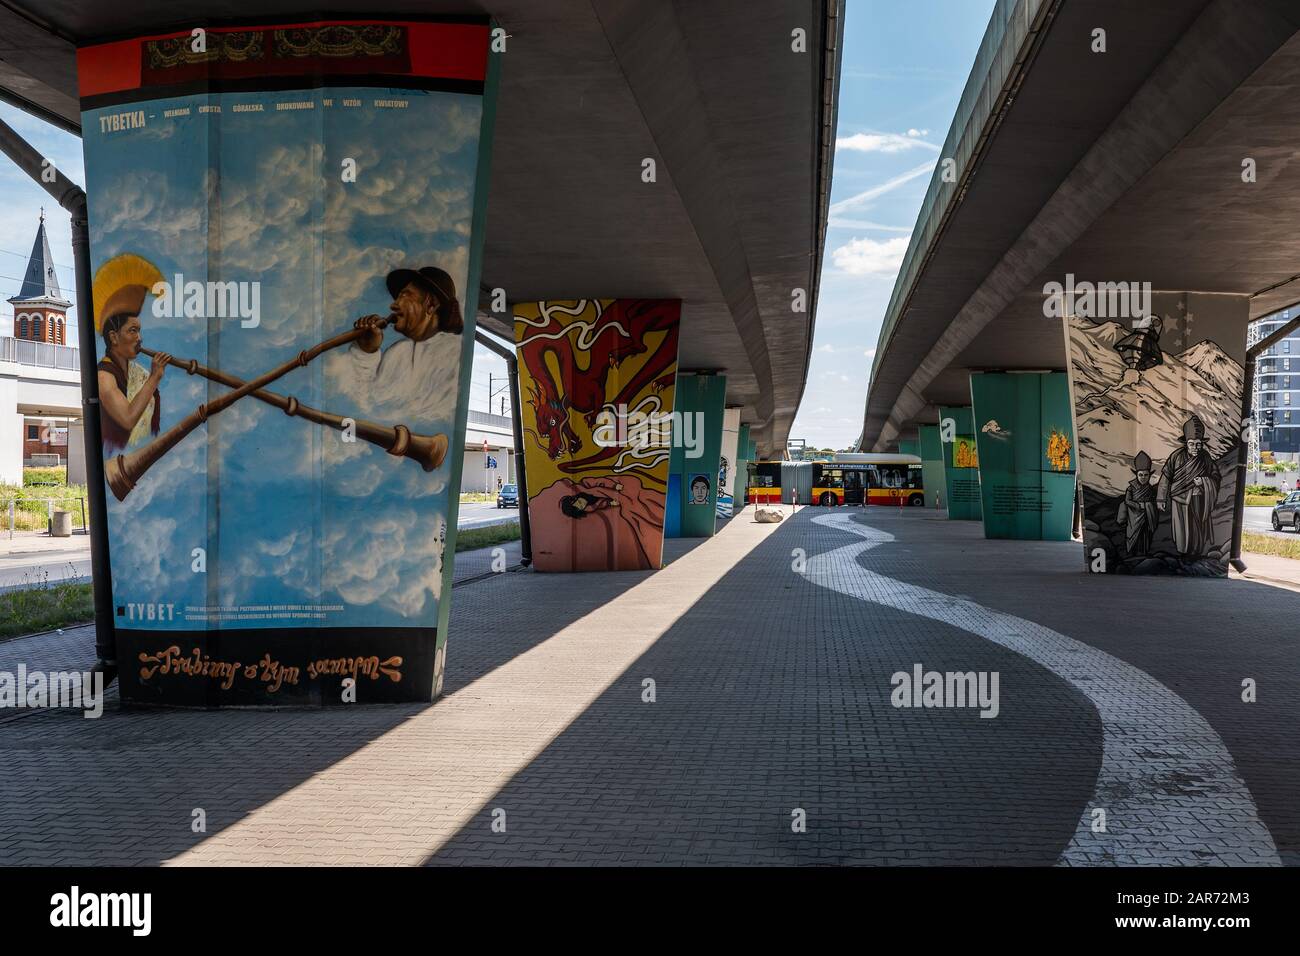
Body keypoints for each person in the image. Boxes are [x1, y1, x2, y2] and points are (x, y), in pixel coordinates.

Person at [339, 266, 464, 423]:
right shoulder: (399, 352)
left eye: (405, 295)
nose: (394, 305)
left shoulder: (453, 354)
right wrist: (367, 351)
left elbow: (424, 415)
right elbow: (370, 407)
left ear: (431, 304)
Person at [92, 254, 171, 452]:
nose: (139, 338)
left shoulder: (136, 372)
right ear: (114, 337)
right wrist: (154, 378)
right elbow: (127, 420)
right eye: (132, 331)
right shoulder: (103, 377)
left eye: (139, 331)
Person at [1157, 415, 1219, 559]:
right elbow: (1166, 477)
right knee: (1183, 528)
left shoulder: (1205, 457)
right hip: (1180, 500)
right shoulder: (1176, 456)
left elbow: (1215, 476)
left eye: (1199, 444)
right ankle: (1183, 553)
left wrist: (1204, 481)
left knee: (1197, 527)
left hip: (1199, 500)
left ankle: (1197, 553)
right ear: (1186, 443)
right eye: (1192, 444)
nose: (1196, 448)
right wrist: (1161, 498)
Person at [1115, 450, 1157, 557]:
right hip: (1134, 518)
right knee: (1134, 537)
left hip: (1147, 518)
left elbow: (1154, 501)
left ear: (1149, 475)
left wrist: (1149, 506)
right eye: (1141, 475)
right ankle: (1132, 555)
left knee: (1145, 537)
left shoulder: (1151, 489)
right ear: (1137, 475)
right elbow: (1128, 501)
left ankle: (1143, 554)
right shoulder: (1131, 488)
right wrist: (1139, 506)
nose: (1143, 477)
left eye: (1146, 475)